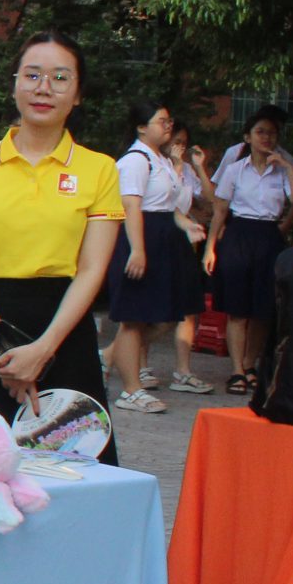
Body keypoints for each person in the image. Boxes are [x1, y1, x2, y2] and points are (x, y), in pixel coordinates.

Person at [0, 31, 122, 464]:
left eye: (60, 77)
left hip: (64, 335)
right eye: (33, 75)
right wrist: (5, 348)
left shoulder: (100, 169)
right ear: (14, 84)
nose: (44, 88)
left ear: (78, 93)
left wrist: (42, 350)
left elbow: (92, 270)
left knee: (76, 476)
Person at [208, 105, 293, 394]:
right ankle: (237, 369)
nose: (266, 138)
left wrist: (288, 167)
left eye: (271, 133)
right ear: (247, 136)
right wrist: (210, 247)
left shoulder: (283, 168)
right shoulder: (235, 169)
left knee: (263, 308)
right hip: (239, 234)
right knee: (237, 308)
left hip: (269, 236)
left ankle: (251, 364)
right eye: (260, 132)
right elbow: (220, 210)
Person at [104, 101, 183, 415]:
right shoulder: (136, 160)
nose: (167, 126)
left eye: (169, 121)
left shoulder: (161, 159)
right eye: (161, 121)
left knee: (164, 315)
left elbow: (170, 204)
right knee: (134, 317)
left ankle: (108, 356)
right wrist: (137, 249)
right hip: (141, 237)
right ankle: (131, 389)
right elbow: (131, 206)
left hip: (161, 237)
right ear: (141, 127)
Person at [162, 121, 219, 395]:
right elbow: (166, 199)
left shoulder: (186, 169)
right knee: (156, 308)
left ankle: (183, 371)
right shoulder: (156, 165)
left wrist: (199, 166)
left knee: (188, 307)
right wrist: (174, 164)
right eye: (176, 141)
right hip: (161, 233)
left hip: (186, 236)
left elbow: (210, 198)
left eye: (183, 142)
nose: (180, 147)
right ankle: (136, 363)